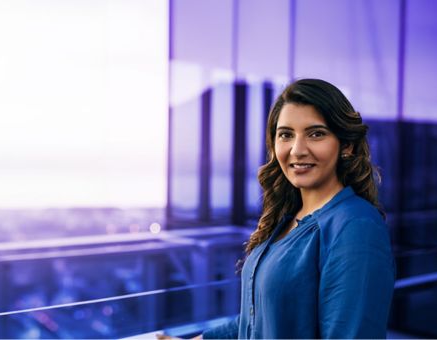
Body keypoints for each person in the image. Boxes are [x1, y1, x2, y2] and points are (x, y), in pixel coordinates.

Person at [160, 78, 396, 339]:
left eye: (316, 133)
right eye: (286, 135)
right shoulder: (289, 219)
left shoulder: (355, 226)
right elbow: (261, 318)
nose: (297, 150)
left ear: (346, 146)